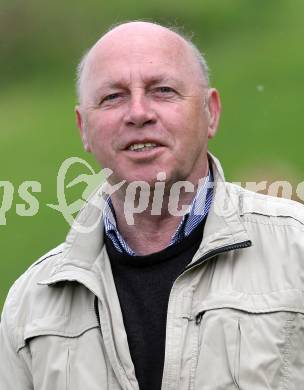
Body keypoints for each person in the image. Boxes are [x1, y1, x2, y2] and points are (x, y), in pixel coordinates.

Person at [1, 21, 304, 390]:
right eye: (113, 96)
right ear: (83, 127)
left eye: (163, 90)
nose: (139, 112)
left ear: (212, 112)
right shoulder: (30, 306)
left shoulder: (297, 250)